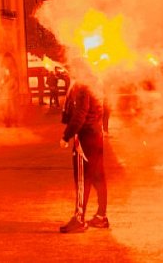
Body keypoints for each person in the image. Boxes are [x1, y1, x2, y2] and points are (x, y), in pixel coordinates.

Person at [59, 65, 108, 233]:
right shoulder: (96, 82)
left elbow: (80, 114)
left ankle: (79, 219)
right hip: (96, 135)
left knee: (82, 179)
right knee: (98, 177)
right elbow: (106, 108)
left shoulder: (82, 86)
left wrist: (66, 136)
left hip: (85, 137)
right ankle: (101, 216)